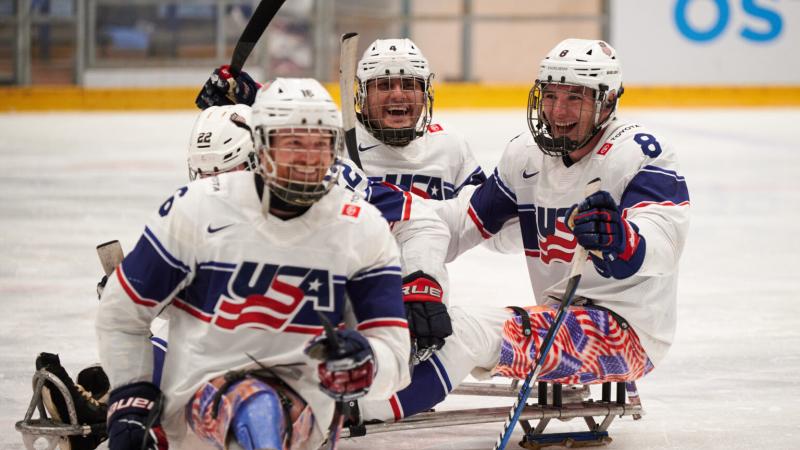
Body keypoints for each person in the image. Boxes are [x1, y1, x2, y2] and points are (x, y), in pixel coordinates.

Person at [358, 38, 691, 423]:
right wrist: (379, 210)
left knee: (467, 331)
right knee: (423, 319)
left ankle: (356, 412)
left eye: (575, 98)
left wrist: (620, 238)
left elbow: (664, 243)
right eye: (550, 96)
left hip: (627, 333)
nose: (558, 111)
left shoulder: (640, 153)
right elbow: (458, 221)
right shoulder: (526, 156)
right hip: (560, 318)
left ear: (609, 101)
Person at [95, 78, 412, 450]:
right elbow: (122, 315)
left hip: (303, 411)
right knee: (256, 404)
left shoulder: (362, 228)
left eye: (320, 144)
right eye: (293, 143)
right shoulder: (195, 210)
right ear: (261, 147)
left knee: (263, 408)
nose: (309, 158)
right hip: (198, 402)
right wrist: (131, 395)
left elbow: (394, 353)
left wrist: (366, 364)